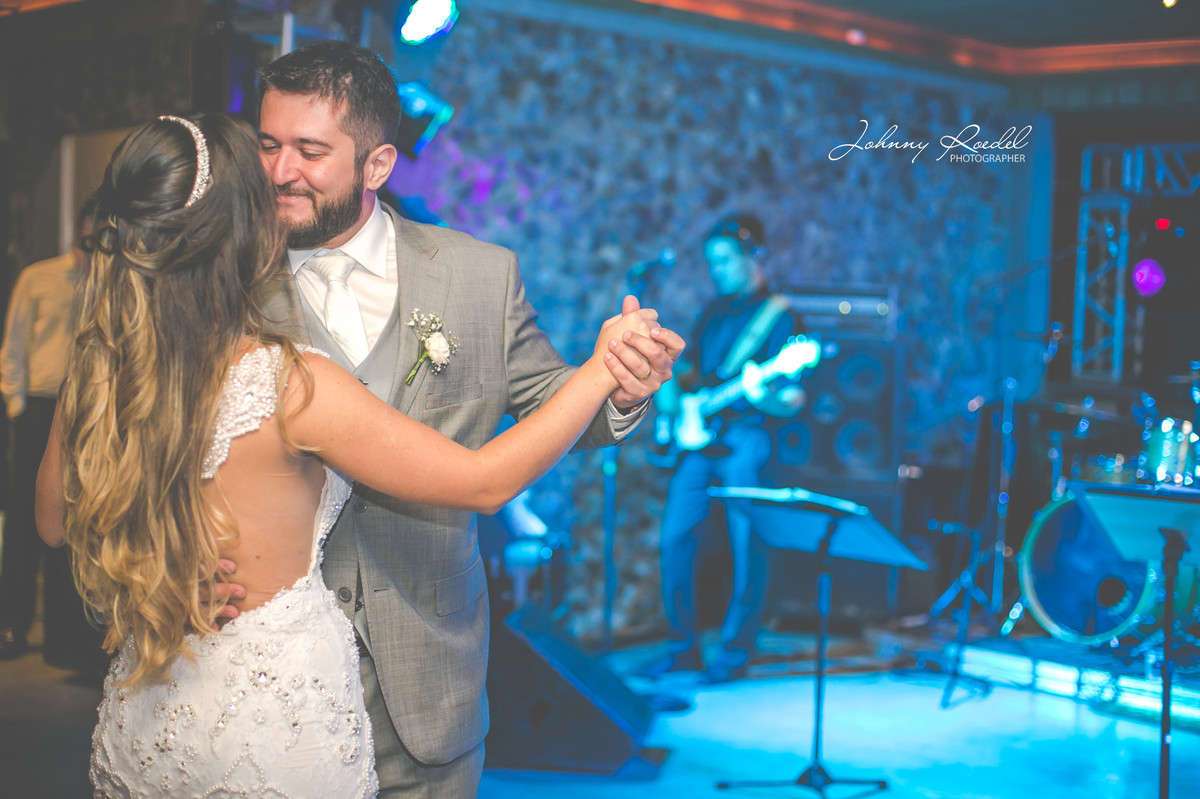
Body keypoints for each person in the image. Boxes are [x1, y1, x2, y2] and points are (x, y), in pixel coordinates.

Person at [34, 113, 666, 796]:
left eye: (307, 150)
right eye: (268, 162)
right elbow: (484, 482)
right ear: (241, 228)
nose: (284, 178)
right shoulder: (288, 381)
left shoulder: (99, 370)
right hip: (274, 721)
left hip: (154, 711)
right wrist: (600, 368)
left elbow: (54, 523)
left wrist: (155, 566)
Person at [247, 40, 682, 797]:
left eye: (310, 152)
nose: (282, 170)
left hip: (427, 677)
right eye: (268, 144)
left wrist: (618, 388)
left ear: (377, 165)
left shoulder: (479, 275)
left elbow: (551, 399)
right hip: (265, 680)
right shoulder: (224, 274)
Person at [646, 212, 804, 684]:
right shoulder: (714, 311)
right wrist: (672, 399)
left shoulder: (781, 317)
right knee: (676, 538)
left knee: (746, 543)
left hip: (748, 436)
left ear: (755, 256)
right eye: (712, 262)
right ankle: (683, 647)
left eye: (725, 260)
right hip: (701, 437)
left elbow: (793, 399)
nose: (717, 270)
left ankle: (735, 652)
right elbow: (691, 372)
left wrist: (762, 394)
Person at [0, 198, 102, 668]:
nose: (92, 247)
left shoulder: (112, 281)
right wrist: (18, 408)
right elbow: (13, 345)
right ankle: (12, 624)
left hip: (89, 411)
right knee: (25, 519)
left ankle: (66, 641)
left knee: (74, 524)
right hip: (40, 409)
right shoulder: (37, 277)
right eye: (87, 238)